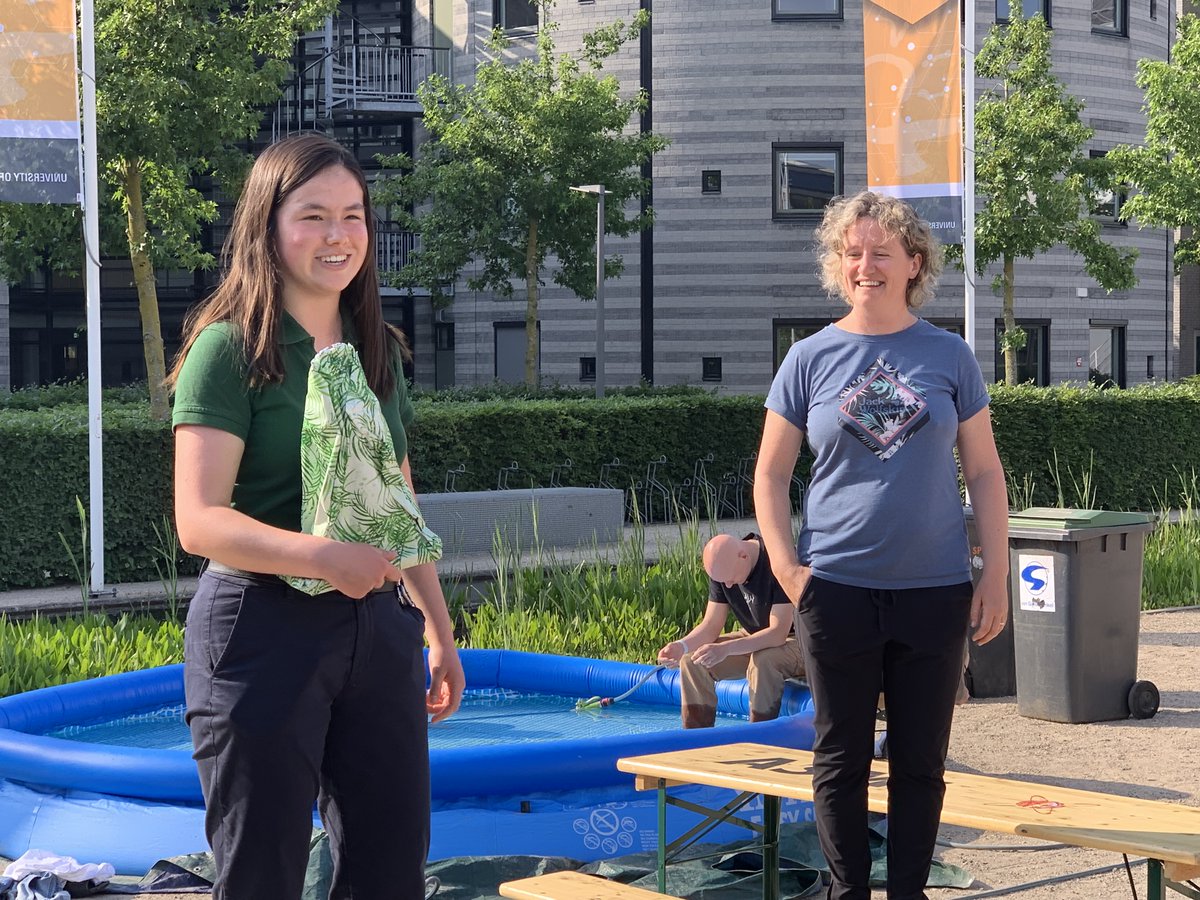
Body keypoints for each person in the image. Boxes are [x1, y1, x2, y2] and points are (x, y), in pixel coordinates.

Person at [167, 133, 465, 900]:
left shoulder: (377, 351)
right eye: (313, 216)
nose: (337, 236)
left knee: (390, 866)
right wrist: (322, 557)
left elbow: (399, 506)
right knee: (262, 872)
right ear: (267, 226)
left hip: (378, 628)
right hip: (259, 630)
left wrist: (436, 626)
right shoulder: (230, 349)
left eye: (353, 216)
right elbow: (198, 521)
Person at [753, 190, 1008, 900]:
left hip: (935, 591)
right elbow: (770, 476)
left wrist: (995, 568)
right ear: (839, 264)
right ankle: (848, 892)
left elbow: (984, 472)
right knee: (839, 760)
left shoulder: (948, 354)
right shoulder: (809, 358)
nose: (865, 265)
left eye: (881, 253)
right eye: (852, 252)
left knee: (922, 762)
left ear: (913, 263)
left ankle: (907, 893)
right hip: (837, 591)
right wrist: (785, 566)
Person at [657, 533, 805, 728]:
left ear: (743, 556)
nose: (728, 585)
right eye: (722, 582)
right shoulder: (723, 569)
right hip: (755, 637)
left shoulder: (777, 561)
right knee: (693, 660)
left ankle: (758, 736)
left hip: (799, 640)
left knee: (763, 660)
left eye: (731, 580)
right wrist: (681, 646)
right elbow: (710, 626)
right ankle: (696, 738)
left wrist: (727, 648)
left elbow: (778, 633)